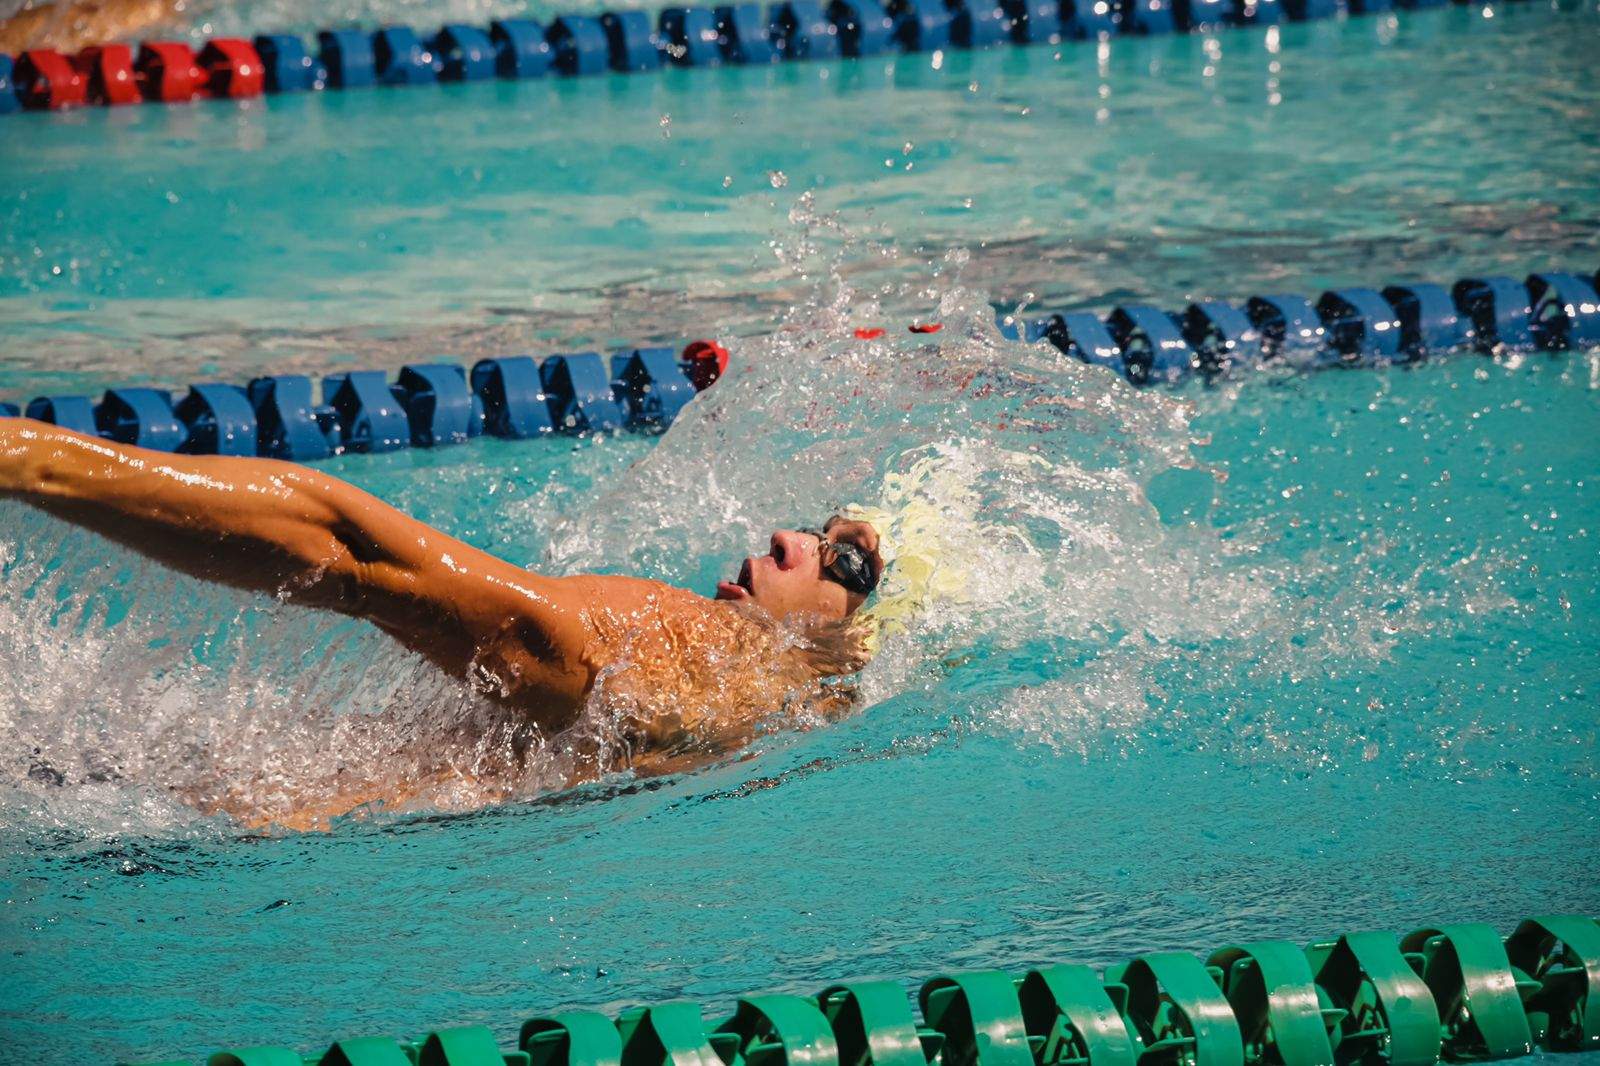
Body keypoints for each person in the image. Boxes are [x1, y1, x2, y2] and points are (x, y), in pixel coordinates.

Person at [0, 417, 884, 826]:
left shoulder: (679, 650)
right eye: (813, 524)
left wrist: (28, 455)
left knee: (359, 559)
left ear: (853, 634)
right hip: (182, 814)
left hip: (169, 822)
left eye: (843, 558)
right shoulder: (755, 716)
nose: (788, 538)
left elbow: (356, 556)